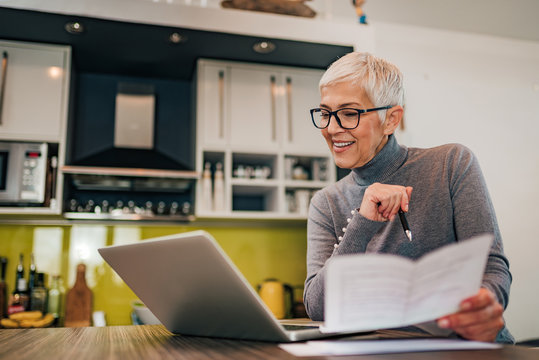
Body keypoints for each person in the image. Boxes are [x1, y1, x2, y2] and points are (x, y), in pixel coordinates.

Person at [303, 52, 514, 343]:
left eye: (349, 113)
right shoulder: (326, 203)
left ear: (391, 120)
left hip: (466, 348)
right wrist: (362, 222)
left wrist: (483, 304)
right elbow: (317, 307)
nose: (331, 128)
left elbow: (491, 265)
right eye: (325, 113)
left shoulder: (452, 163)